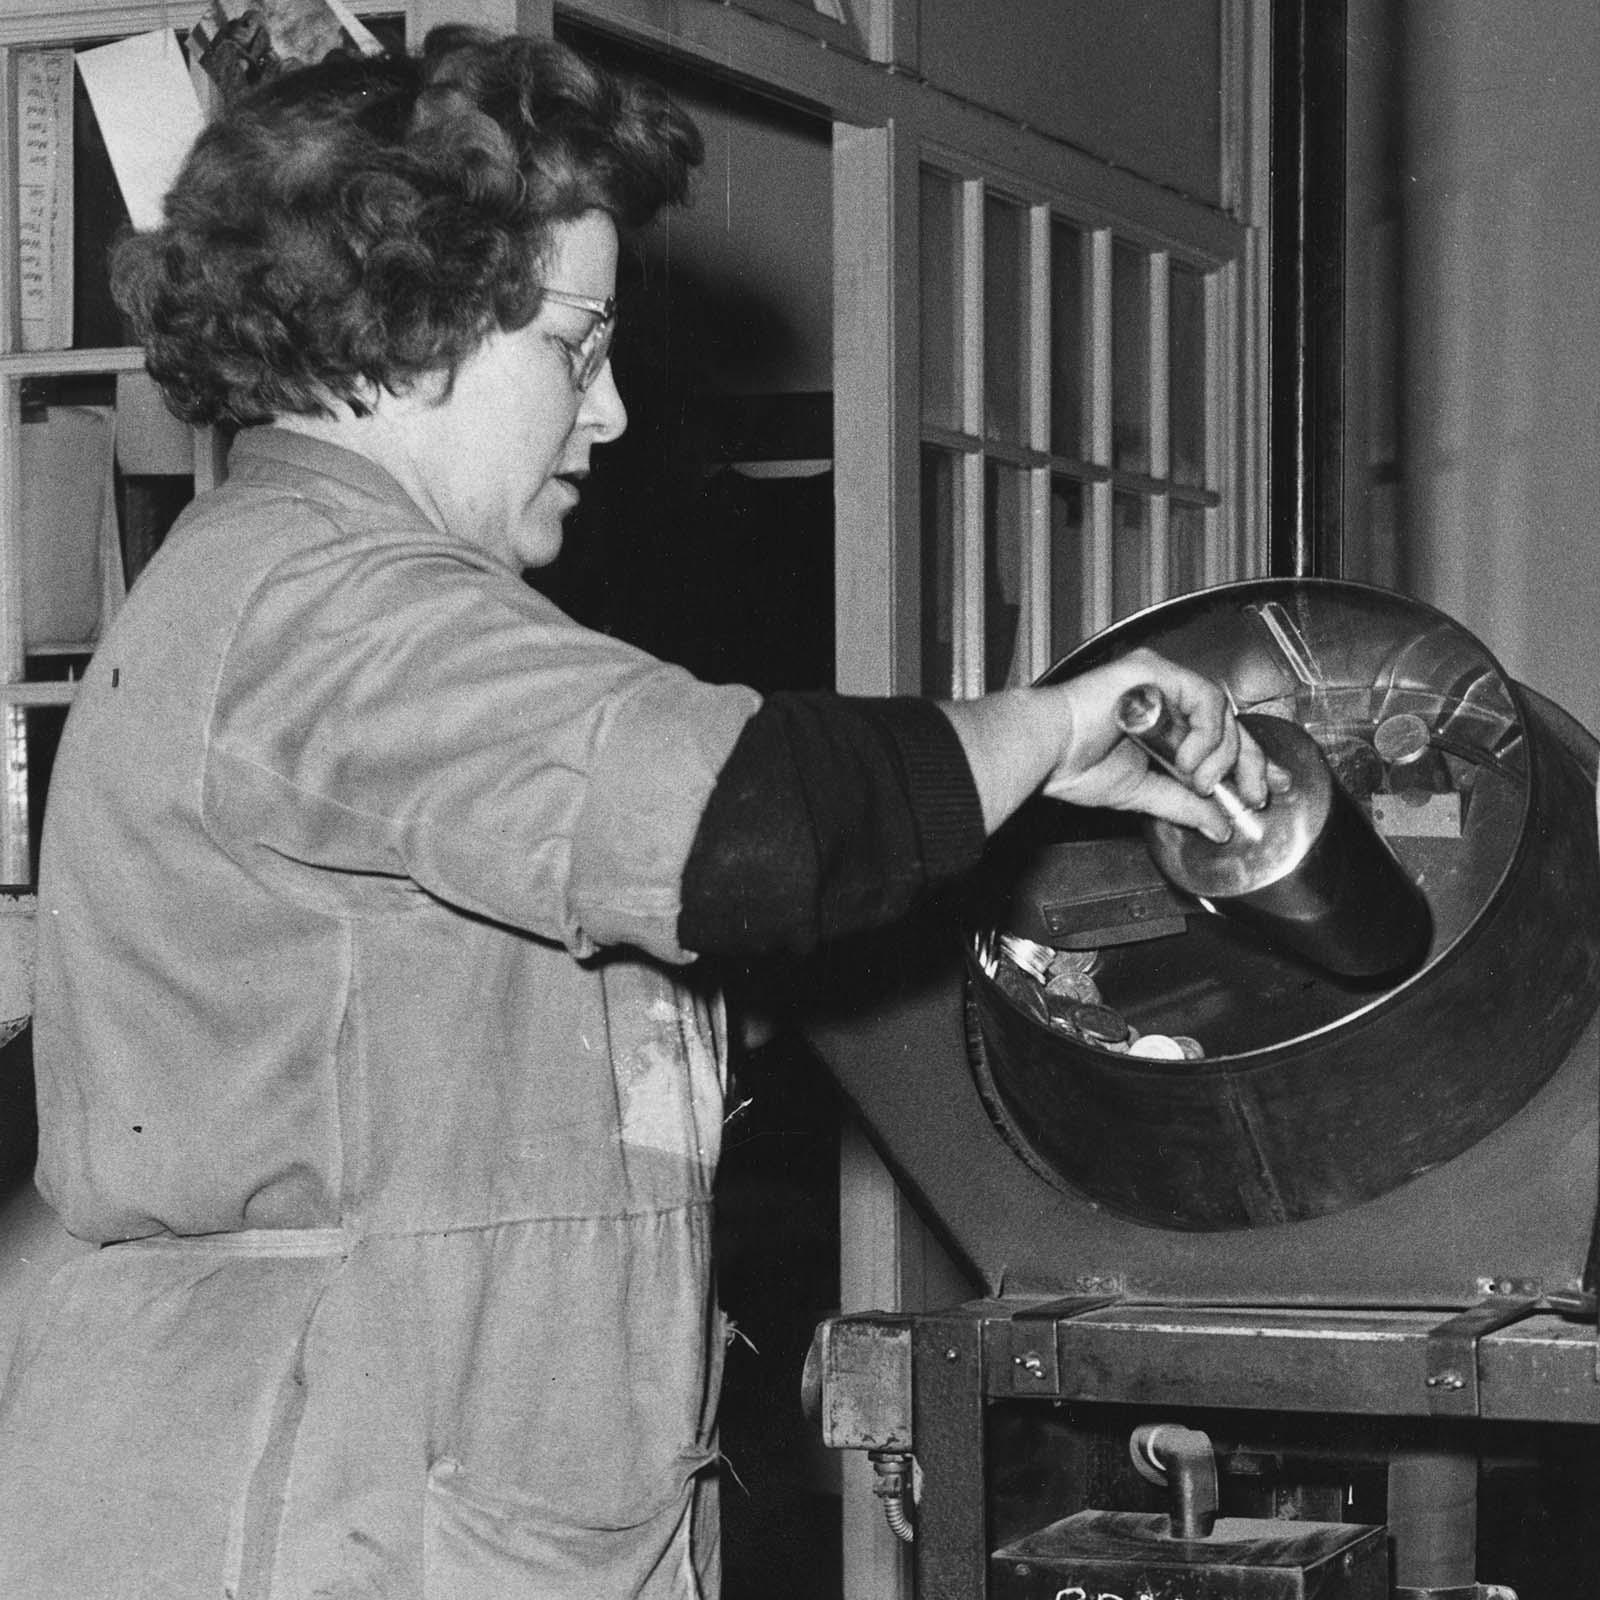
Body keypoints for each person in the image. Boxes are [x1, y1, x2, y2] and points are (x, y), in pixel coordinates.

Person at [0, 25, 1273, 1599]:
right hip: (324, 1507)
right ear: (410, 332)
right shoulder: (334, 617)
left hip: (412, 1473)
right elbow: (749, 829)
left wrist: (1042, 815)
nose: (604, 414)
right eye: (576, 346)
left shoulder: (323, 600)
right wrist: (1062, 717)